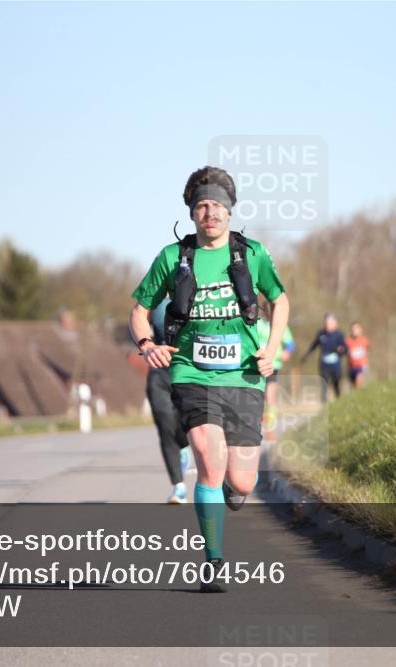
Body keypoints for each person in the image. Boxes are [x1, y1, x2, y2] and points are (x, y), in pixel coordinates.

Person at [128, 165, 289, 593]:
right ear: (192, 212)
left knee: (242, 481)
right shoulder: (172, 257)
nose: (209, 212)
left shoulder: (252, 254)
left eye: (217, 205)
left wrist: (271, 349)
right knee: (207, 459)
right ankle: (213, 561)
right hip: (190, 370)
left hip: (244, 374)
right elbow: (140, 311)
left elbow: (280, 299)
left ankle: (232, 493)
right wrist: (147, 344)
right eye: (201, 205)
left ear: (230, 211)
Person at [146, 298, 192, 504]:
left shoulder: (195, 296)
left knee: (186, 425)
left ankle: (183, 447)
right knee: (165, 425)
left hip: (187, 370)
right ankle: (178, 487)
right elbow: (137, 324)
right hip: (159, 372)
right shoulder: (152, 301)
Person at [255, 300, 295, 440]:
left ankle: (270, 429)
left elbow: (290, 343)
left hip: (273, 365)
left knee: (270, 397)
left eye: (271, 309)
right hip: (257, 365)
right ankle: (257, 426)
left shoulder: (279, 326)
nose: (269, 312)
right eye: (266, 309)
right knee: (257, 397)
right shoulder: (257, 323)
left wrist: (287, 352)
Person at [302, 313, 346, 403]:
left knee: (336, 382)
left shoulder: (339, 335)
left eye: (330, 322)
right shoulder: (321, 334)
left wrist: (341, 350)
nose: (327, 324)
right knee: (324, 382)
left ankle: (338, 400)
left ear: (335, 323)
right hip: (324, 363)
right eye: (326, 322)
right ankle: (324, 403)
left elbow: (345, 348)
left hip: (335, 363)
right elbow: (314, 346)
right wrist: (307, 356)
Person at [345, 321, 369, 389]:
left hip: (361, 366)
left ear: (360, 330)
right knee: (353, 385)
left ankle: (361, 393)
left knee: (359, 381)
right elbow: (345, 351)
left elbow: (367, 348)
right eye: (353, 329)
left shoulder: (364, 340)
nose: (355, 330)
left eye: (357, 328)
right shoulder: (347, 341)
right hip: (351, 366)